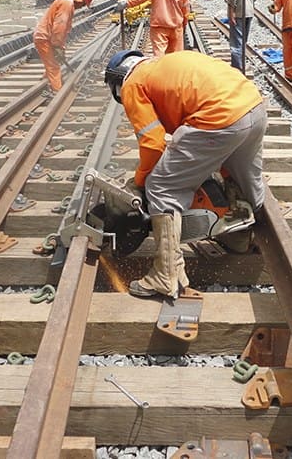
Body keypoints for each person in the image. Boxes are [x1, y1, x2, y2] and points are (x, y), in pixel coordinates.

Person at [104, 50, 267, 299]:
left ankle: (165, 275)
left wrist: (141, 183)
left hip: (218, 118)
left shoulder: (132, 83)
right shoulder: (161, 66)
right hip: (253, 106)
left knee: (161, 187)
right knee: (243, 177)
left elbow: (153, 143)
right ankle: (243, 237)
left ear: (118, 81)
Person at [32, 0, 94, 92]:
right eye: (83, 4)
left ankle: (45, 82)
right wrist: (57, 45)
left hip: (47, 37)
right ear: (80, 0)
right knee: (54, 66)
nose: (81, 7)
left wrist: (61, 47)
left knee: (53, 62)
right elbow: (60, 26)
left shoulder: (65, 1)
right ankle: (57, 91)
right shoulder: (67, 3)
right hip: (45, 38)